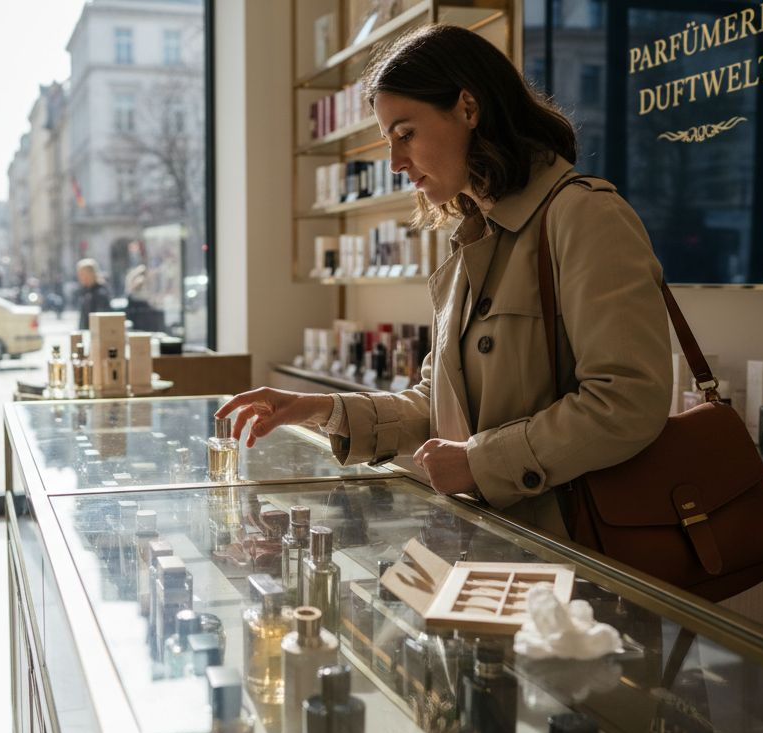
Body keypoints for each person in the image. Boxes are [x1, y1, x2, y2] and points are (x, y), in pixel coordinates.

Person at [216, 24, 672, 538]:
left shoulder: (584, 215)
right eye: (389, 142)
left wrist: (480, 464)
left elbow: (629, 401)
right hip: (490, 546)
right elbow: (438, 403)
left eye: (405, 134)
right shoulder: (474, 238)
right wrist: (320, 409)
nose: (395, 163)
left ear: (468, 109)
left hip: (574, 559)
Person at [75, 257, 111, 330]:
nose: (79, 277)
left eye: (82, 274)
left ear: (91, 274)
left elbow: (102, 320)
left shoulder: (100, 293)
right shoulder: (86, 291)